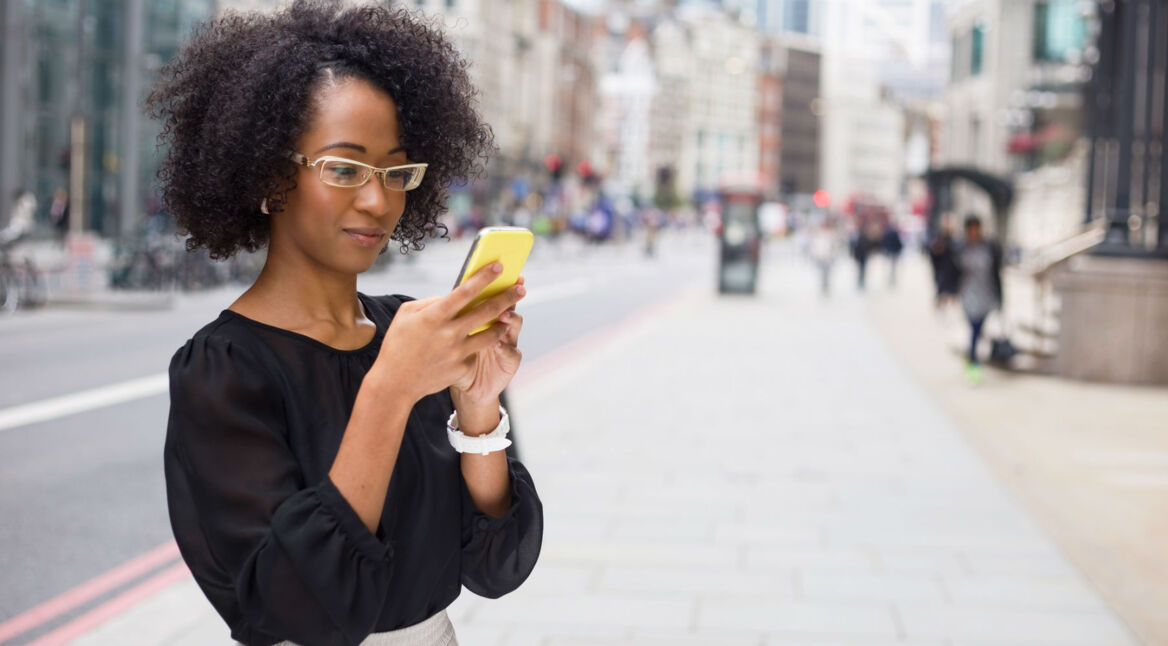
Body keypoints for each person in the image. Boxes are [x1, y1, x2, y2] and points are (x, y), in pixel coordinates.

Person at [149, 3, 543, 645]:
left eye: (395, 172)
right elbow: (297, 608)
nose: (377, 199)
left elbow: (496, 567)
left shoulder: (411, 331)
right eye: (343, 168)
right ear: (272, 177)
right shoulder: (222, 373)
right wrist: (389, 389)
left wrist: (478, 410)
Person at [957, 214, 1003, 384]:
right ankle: (974, 361)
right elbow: (951, 270)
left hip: (986, 293)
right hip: (967, 294)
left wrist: (1000, 298)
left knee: (978, 328)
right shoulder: (961, 247)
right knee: (974, 327)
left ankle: (972, 355)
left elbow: (997, 273)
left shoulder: (990, 246)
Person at [928, 216, 960, 308]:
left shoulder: (955, 240)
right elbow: (933, 254)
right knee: (942, 288)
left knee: (951, 290)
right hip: (941, 270)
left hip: (952, 270)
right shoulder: (938, 239)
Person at [881, 222, 904, 287]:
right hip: (894, 251)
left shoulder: (887, 233)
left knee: (889, 265)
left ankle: (889, 278)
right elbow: (898, 242)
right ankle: (892, 278)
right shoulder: (895, 233)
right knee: (893, 266)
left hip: (889, 251)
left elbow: (884, 242)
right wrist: (899, 249)